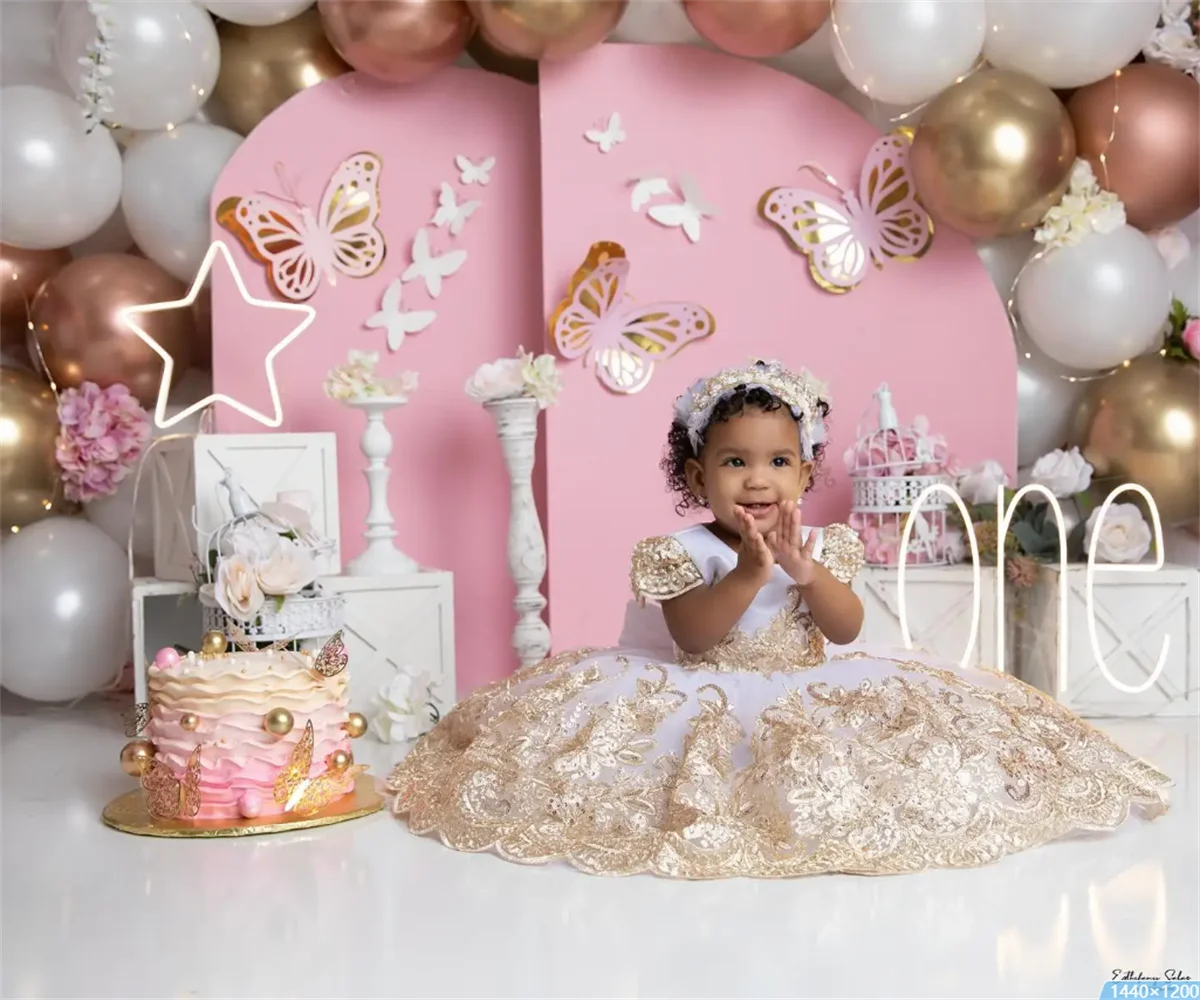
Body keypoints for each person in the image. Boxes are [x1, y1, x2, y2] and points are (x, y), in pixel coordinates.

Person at [387, 360, 1169, 879]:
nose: (757, 481)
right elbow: (694, 637)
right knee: (685, 762)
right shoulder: (679, 550)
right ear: (698, 475)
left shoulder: (819, 544)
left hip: (801, 681)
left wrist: (801, 571)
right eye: (734, 462)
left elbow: (849, 627)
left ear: (804, 471)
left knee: (861, 753)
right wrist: (753, 570)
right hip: (693, 684)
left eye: (778, 462)